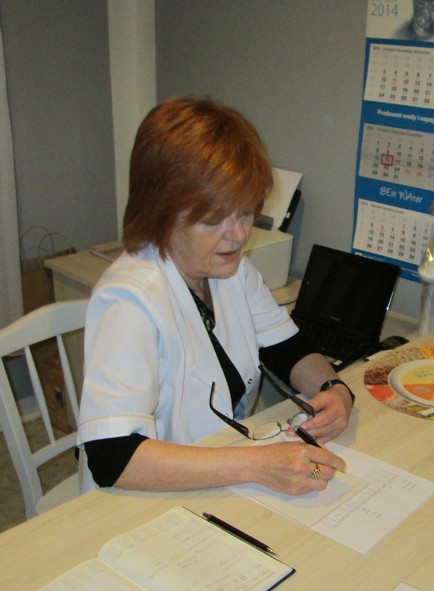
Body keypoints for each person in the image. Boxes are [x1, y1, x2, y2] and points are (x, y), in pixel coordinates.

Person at [77, 96, 351, 495]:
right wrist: (261, 465)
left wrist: (334, 390)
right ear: (161, 213)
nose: (238, 235)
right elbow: (111, 458)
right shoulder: (129, 299)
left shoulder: (230, 268)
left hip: (221, 471)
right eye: (213, 220)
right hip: (142, 497)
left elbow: (287, 348)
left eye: (245, 212)